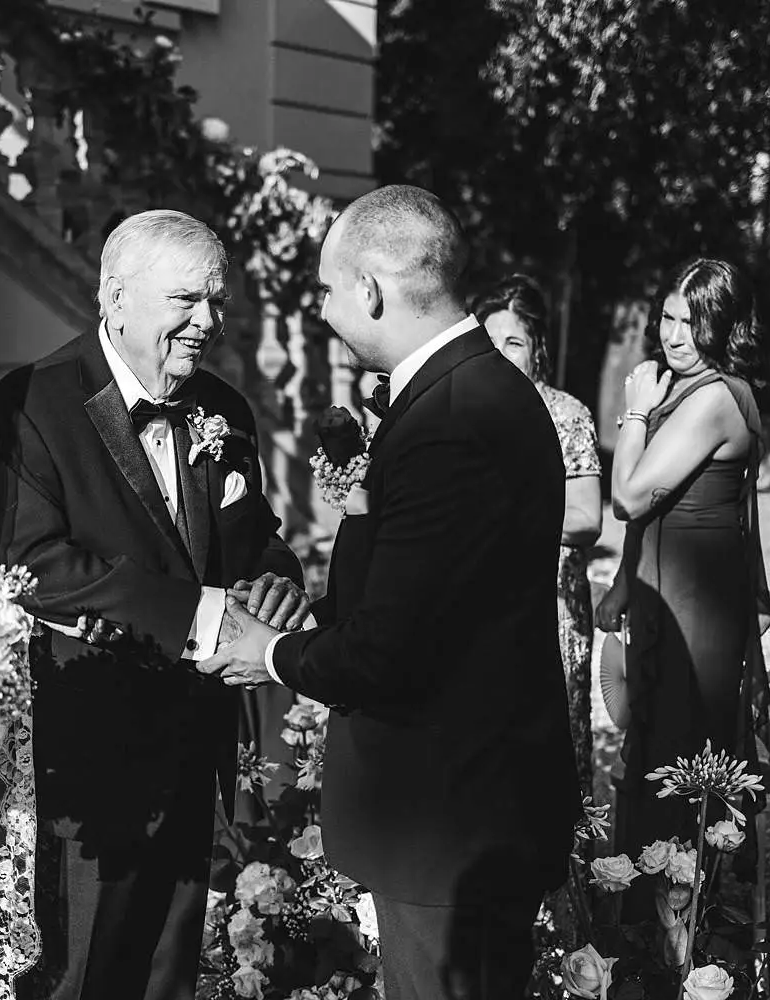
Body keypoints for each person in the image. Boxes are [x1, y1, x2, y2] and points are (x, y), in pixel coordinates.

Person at [202, 185, 581, 1000]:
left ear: (370, 289)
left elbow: (388, 650)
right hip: (477, 803)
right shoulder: (473, 393)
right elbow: (426, 594)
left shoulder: (448, 422)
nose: (327, 312)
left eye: (329, 292)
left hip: (450, 819)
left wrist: (264, 652)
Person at [0, 210, 308, 1000]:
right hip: (90, 755)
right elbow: (31, 563)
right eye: (185, 300)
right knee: (86, 975)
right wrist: (198, 617)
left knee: (168, 977)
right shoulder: (29, 404)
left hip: (198, 747)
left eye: (217, 302)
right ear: (115, 298)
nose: (207, 322)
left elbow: (252, 533)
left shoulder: (225, 408)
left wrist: (276, 580)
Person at [594, 259, 770, 897]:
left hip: (697, 614)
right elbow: (652, 514)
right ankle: (652, 923)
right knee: (652, 749)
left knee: (675, 759)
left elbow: (628, 496)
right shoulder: (685, 388)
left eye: (693, 324)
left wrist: (632, 414)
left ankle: (678, 929)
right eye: (669, 318)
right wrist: (626, 578)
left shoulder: (712, 398)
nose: (674, 335)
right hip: (664, 598)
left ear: (725, 329)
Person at [475, 274, 602, 794]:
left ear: (537, 350)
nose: (501, 355)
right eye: (490, 342)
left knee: (552, 755)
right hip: (477, 610)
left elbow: (586, 520)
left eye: (515, 342)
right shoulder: (463, 412)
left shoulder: (566, 415)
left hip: (551, 610)